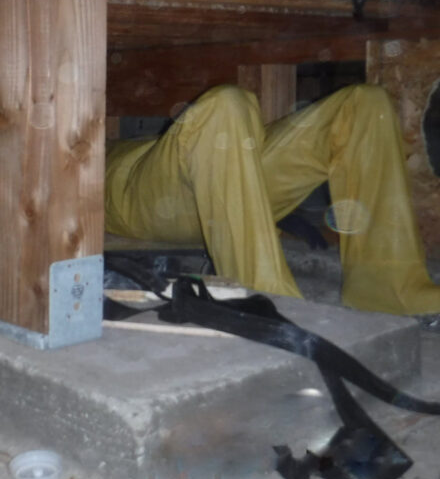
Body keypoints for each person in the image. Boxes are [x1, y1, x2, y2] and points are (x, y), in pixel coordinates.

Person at [104, 83, 440, 316]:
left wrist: (277, 214)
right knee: (225, 105)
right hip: (133, 192)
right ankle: (265, 298)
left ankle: (389, 286)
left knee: (365, 104)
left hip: (220, 168)